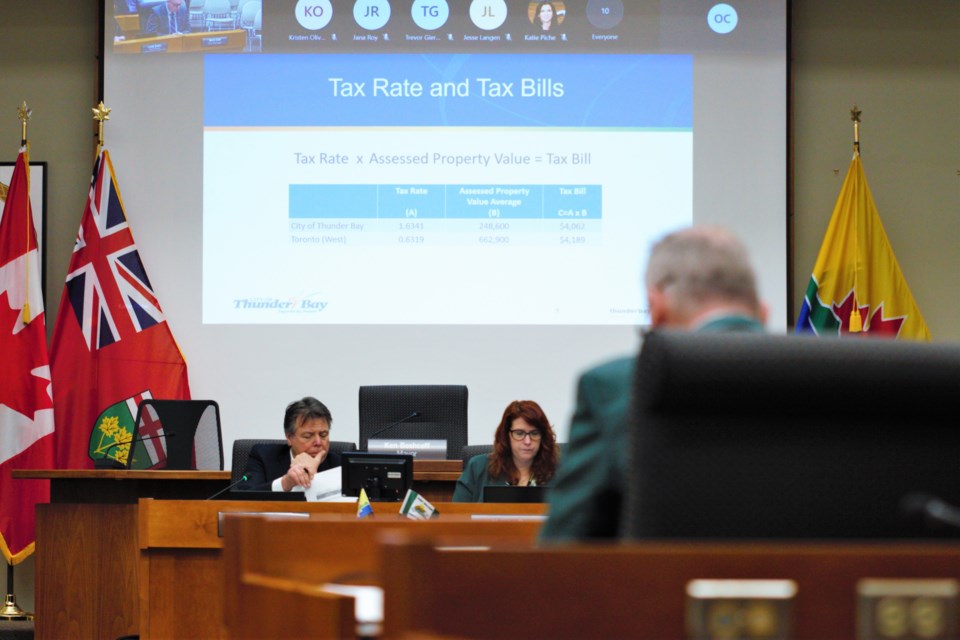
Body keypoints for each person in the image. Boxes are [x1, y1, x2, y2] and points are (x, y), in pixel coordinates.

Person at [539, 226, 767, 541]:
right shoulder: (836, 375)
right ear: (762, 312)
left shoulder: (614, 387)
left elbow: (567, 548)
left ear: (655, 308)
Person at [453, 400, 559, 502]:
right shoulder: (477, 467)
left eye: (534, 433)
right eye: (519, 433)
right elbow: (456, 516)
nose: (527, 441)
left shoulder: (559, 472)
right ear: (506, 435)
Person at [240, 396, 342, 491]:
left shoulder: (340, 465)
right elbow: (242, 500)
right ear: (289, 437)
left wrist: (314, 478)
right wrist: (286, 483)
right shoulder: (263, 457)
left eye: (323, 434)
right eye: (308, 436)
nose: (318, 442)